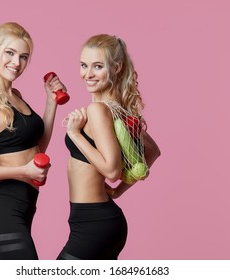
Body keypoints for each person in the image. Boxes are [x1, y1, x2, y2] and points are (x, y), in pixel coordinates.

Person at [0, 22, 66, 260]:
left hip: (23, 209)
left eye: (24, 56)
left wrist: (50, 103)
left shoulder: (15, 96)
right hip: (1, 215)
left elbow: (37, 148)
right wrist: (22, 171)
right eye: (10, 52)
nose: (17, 63)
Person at [57, 34, 161, 260]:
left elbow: (112, 171)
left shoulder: (99, 110)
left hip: (93, 223)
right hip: (97, 221)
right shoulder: (117, 110)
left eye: (97, 66)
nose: (88, 74)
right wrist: (118, 192)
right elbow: (153, 151)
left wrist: (75, 134)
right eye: (84, 65)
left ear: (116, 67)